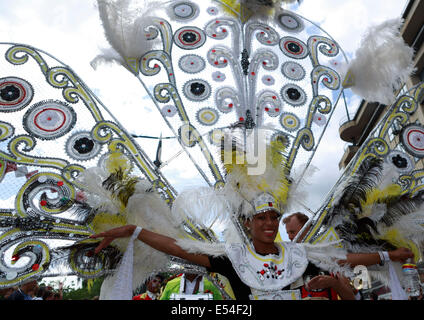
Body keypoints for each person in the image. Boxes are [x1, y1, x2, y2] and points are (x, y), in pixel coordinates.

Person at [90, 198, 353, 300]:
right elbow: (179, 248)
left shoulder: (299, 258)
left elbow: (352, 289)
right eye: (261, 218)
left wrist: (336, 284)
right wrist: (135, 231)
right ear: (248, 224)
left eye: (274, 217)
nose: (269, 223)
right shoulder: (232, 259)